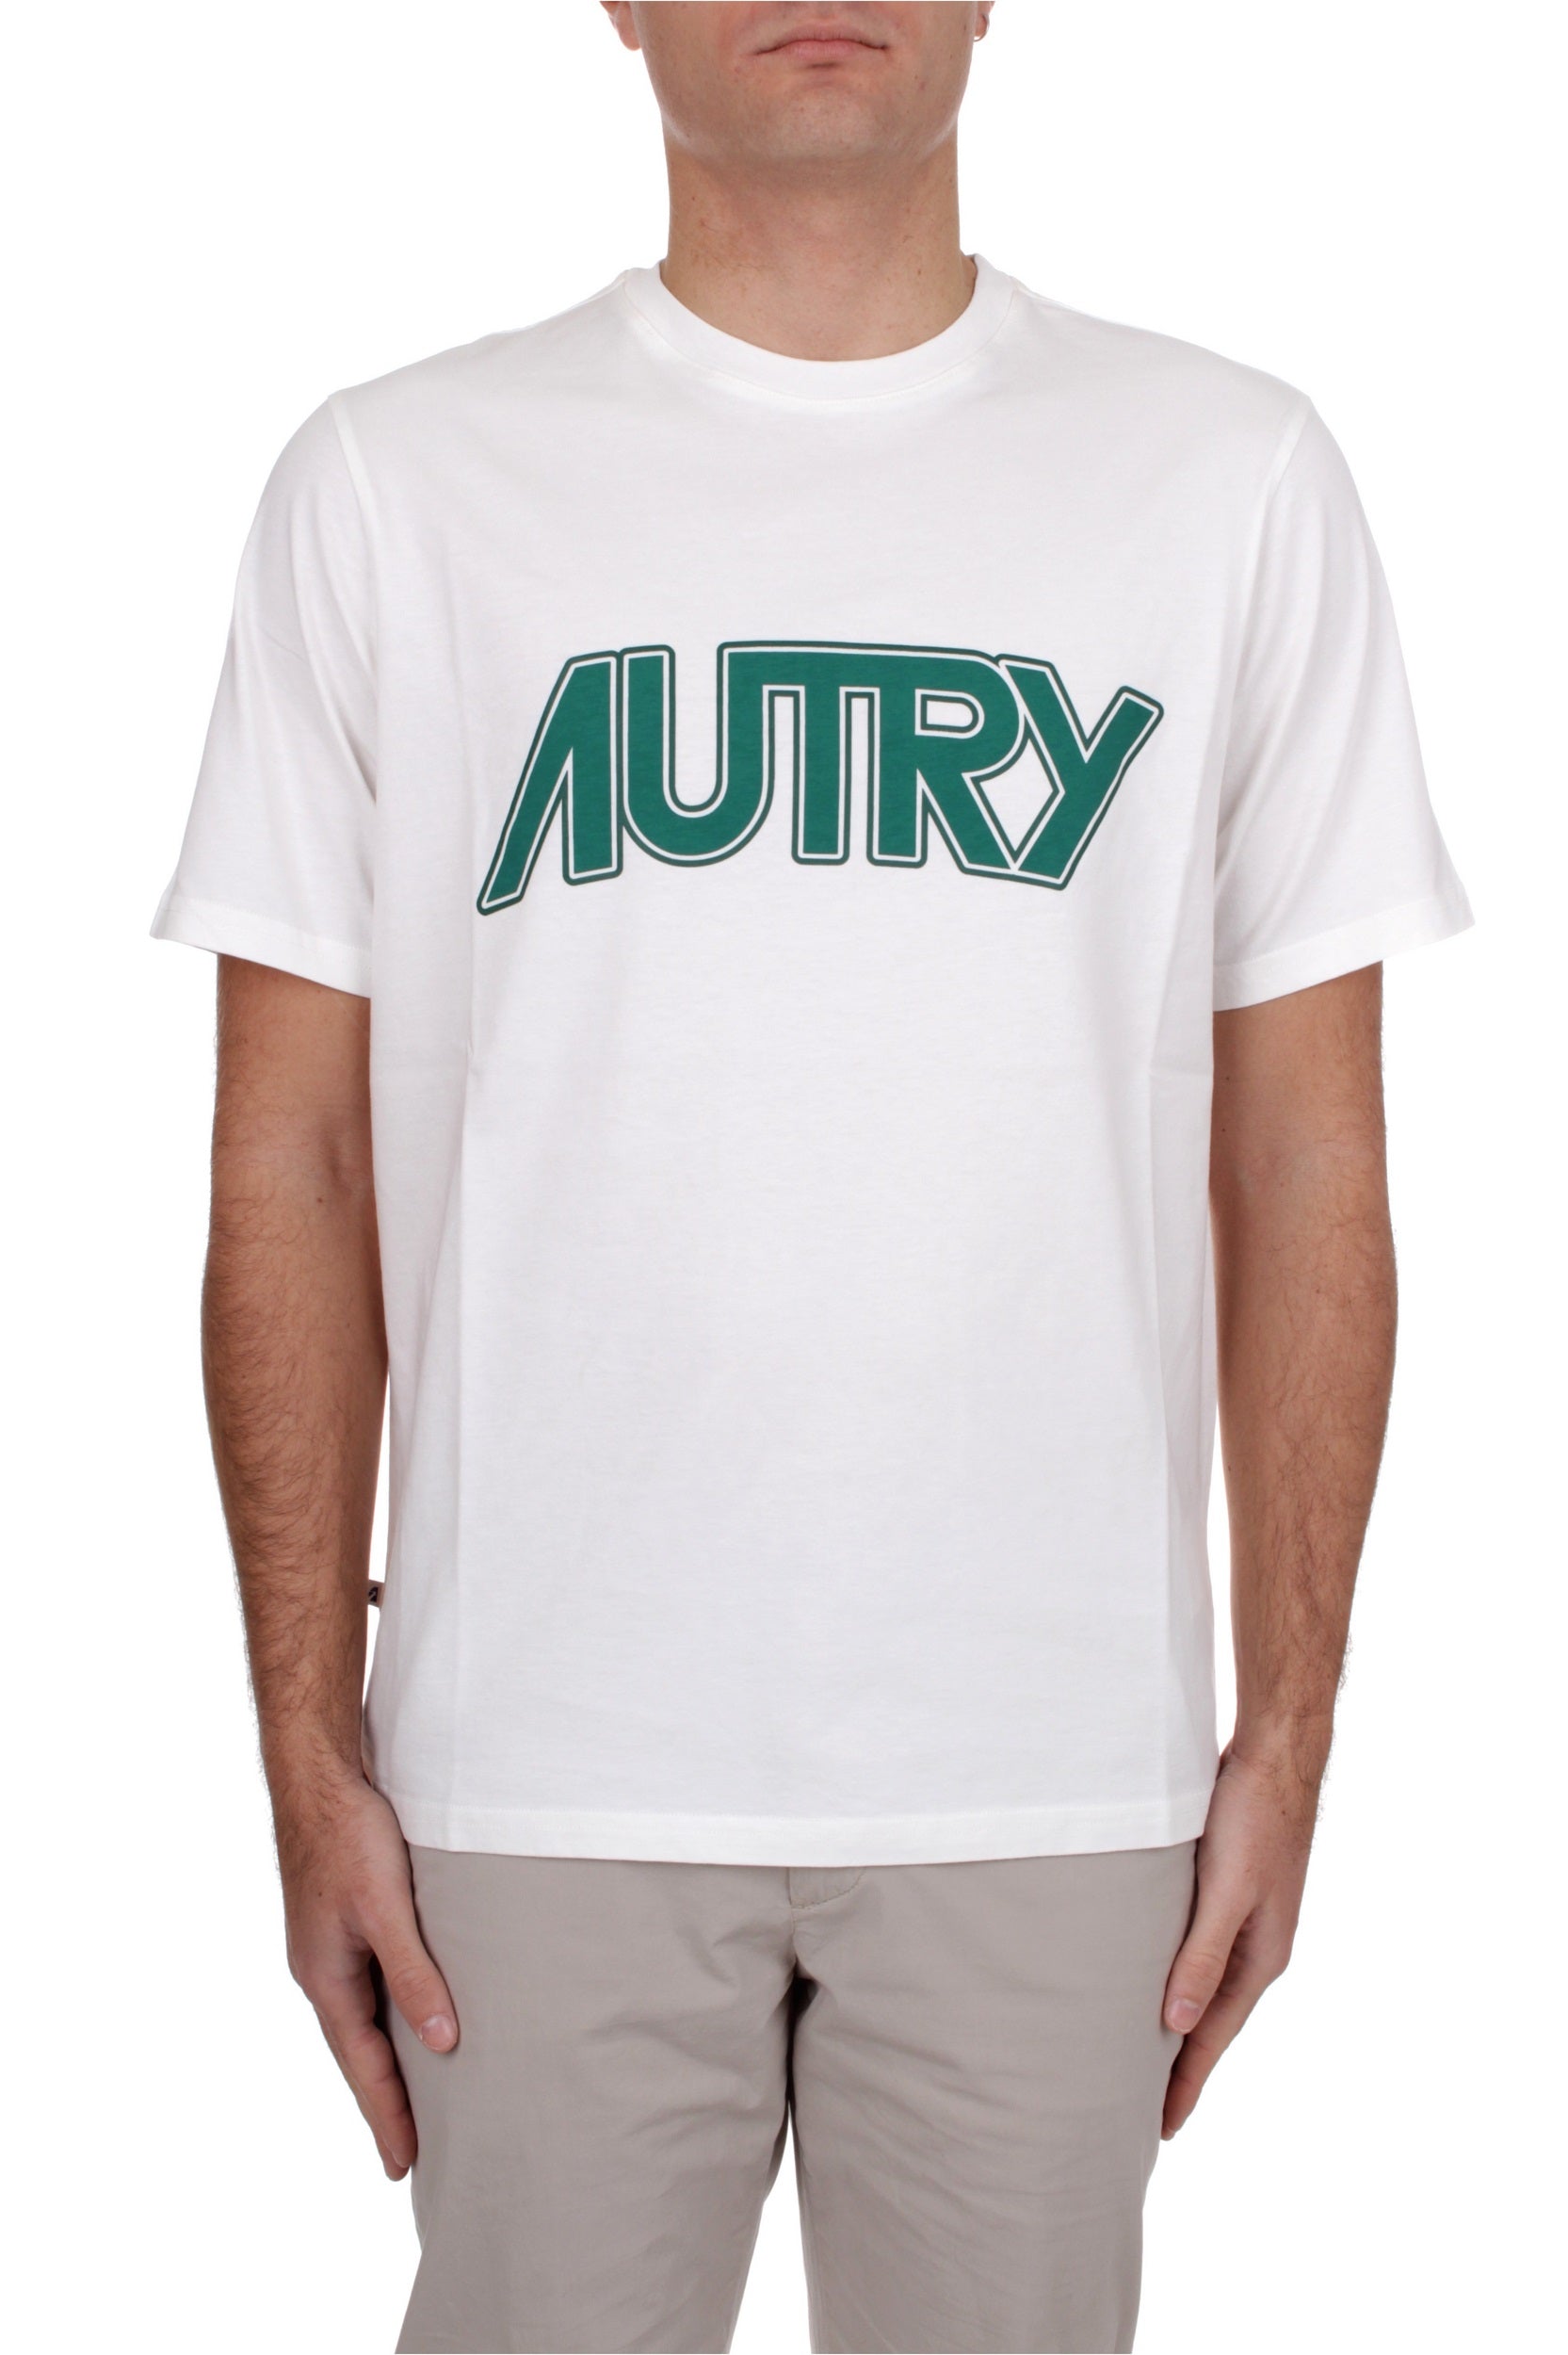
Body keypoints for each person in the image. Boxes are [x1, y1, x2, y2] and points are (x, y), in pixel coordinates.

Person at [153, 6, 1471, 2349]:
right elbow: (296, 1151)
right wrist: (300, 1736)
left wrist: (1288, 1726)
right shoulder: (392, 482)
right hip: (533, 1770)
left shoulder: (1227, 475)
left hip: (1044, 1770)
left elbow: (1303, 1151)